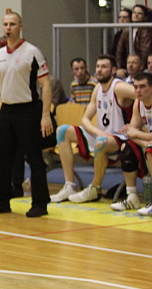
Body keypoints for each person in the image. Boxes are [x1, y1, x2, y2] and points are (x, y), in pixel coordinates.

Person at [0, 10, 54, 217]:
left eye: (12, 24)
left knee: (34, 158)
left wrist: (45, 115)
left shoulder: (32, 52)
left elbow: (45, 85)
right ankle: (2, 201)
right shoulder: (0, 53)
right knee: (3, 157)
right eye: (5, 24)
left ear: (20, 27)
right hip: (7, 110)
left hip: (28, 110)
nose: (8, 28)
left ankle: (40, 203)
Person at [51, 54, 135, 203]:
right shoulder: (97, 89)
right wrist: (98, 132)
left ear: (113, 70)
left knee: (100, 142)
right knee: (62, 131)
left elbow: (144, 95)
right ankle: (69, 185)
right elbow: (85, 119)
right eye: (98, 66)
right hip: (102, 134)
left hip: (120, 137)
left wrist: (135, 124)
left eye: (104, 67)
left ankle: (95, 188)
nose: (99, 70)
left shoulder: (119, 87)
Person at [110, 71, 152, 213]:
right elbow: (130, 133)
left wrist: (139, 135)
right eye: (135, 87)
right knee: (127, 147)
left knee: (151, 150)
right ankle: (132, 197)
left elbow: (135, 132)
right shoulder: (138, 104)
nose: (138, 90)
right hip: (148, 141)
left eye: (142, 87)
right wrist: (145, 142)